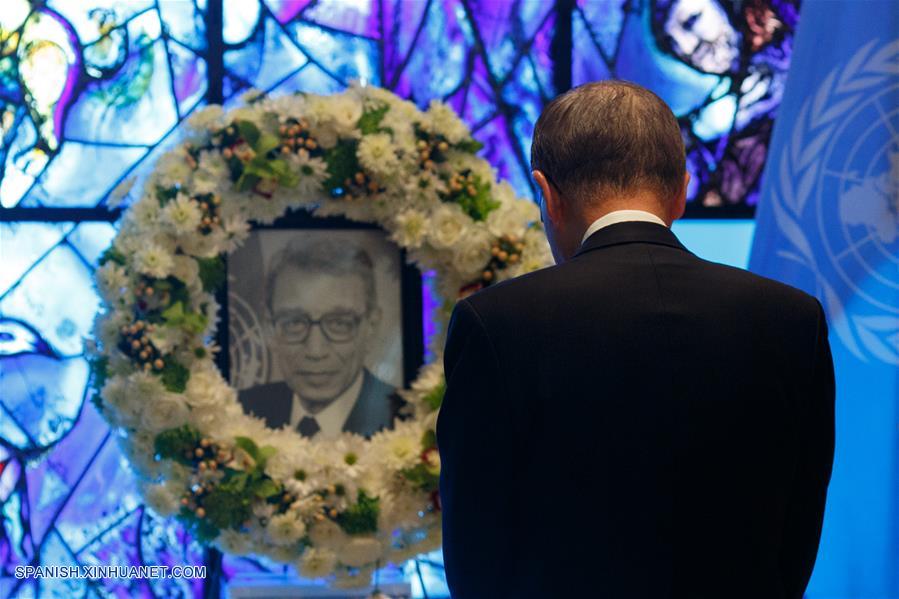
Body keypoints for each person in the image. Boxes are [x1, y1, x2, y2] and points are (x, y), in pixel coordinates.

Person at [436, 81, 835, 598]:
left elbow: (475, 552)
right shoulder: (791, 319)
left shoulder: (495, 321)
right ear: (682, 190)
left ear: (548, 195)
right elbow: (797, 532)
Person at [239, 238, 402, 438]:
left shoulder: (407, 417)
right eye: (294, 323)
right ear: (270, 327)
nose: (315, 351)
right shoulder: (240, 412)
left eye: (339, 324)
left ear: (371, 326)